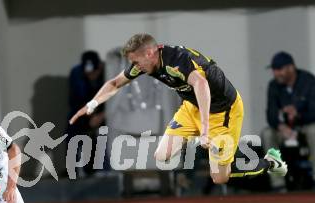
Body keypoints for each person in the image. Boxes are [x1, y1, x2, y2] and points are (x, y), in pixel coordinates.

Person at [70, 33, 288, 185]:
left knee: (220, 177)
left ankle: (270, 162)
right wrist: (91, 104)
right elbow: (114, 83)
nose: (135, 67)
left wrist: (204, 131)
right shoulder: (145, 63)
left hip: (223, 110)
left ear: (149, 53)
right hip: (192, 107)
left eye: (136, 61)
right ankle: (212, 147)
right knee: (161, 155)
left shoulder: (177, 60)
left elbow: (202, 85)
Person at [262, 51, 315, 184]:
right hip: (285, 129)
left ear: (291, 68)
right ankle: (278, 182)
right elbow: (271, 114)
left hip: (305, 125)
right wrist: (281, 126)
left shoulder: (308, 81)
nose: (276, 73)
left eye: (279, 69)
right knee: (267, 134)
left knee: (314, 131)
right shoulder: (273, 85)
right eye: (274, 70)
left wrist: (298, 114)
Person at [67, 51, 107, 176]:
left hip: (105, 113)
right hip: (86, 112)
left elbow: (116, 100)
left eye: (94, 72)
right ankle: (74, 171)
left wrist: (103, 114)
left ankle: (104, 168)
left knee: (105, 131)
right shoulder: (76, 75)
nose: (92, 76)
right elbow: (76, 101)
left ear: (100, 67)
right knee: (72, 125)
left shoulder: (109, 73)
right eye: (88, 74)